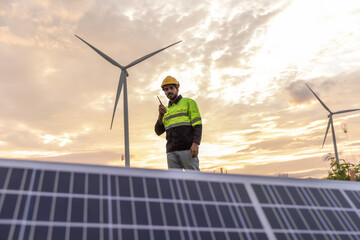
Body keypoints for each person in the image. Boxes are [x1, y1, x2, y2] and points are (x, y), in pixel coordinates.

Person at [155, 76, 202, 170]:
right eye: (166, 89)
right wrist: (161, 114)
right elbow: (158, 131)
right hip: (171, 152)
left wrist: (196, 144)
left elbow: (197, 125)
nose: (169, 91)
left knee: (193, 180)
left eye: (171, 88)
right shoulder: (165, 110)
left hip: (187, 150)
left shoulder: (189, 102)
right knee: (175, 182)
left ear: (177, 88)